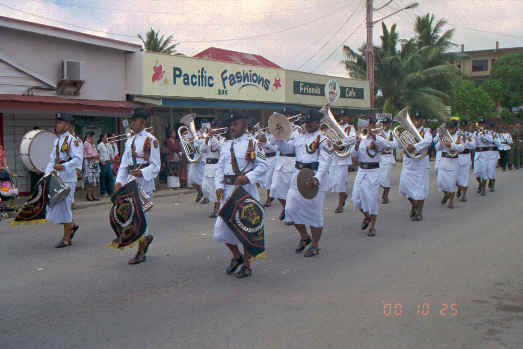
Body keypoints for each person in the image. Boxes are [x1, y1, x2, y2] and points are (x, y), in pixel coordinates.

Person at [214, 111, 268, 278]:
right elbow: (219, 169)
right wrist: (218, 186)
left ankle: (246, 264)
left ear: (244, 125)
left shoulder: (254, 143)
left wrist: (248, 177)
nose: (232, 128)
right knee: (221, 229)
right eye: (231, 125)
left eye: (235, 124)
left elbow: (263, 165)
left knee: (246, 230)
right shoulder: (225, 145)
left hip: (245, 192)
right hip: (228, 192)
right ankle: (236, 256)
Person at [277, 109, 332, 257]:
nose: (307, 125)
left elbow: (325, 161)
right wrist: (278, 138)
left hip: (313, 178)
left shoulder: (323, 139)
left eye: (310, 122)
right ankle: (304, 237)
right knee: (290, 210)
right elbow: (287, 149)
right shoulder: (299, 137)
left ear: (317, 123)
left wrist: (318, 178)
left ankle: (314, 245)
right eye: (306, 122)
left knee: (314, 214)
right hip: (297, 176)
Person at [115, 108, 161, 265]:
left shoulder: (151, 140)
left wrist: (143, 172)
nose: (132, 123)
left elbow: (156, 166)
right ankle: (145, 239)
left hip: (144, 184)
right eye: (131, 121)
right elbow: (123, 164)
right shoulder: (129, 141)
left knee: (140, 217)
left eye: (135, 121)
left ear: (143, 122)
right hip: (130, 181)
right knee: (132, 216)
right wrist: (118, 181)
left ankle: (141, 251)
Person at [351, 117, 394, 236]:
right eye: (367, 125)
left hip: (373, 171)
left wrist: (375, 137)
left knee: (372, 200)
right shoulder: (360, 137)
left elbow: (388, 146)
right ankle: (367, 217)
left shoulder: (378, 138)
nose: (368, 127)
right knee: (356, 200)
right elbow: (353, 156)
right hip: (361, 171)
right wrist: (356, 145)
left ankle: (372, 226)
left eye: (370, 125)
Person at [45, 113, 83, 248]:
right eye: (57, 122)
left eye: (60, 122)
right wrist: (47, 175)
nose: (57, 125)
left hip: (68, 179)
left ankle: (66, 239)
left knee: (65, 208)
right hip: (57, 178)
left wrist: (64, 166)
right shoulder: (57, 141)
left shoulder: (74, 141)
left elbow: (78, 159)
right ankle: (72, 225)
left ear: (67, 125)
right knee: (55, 208)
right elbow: (51, 161)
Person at [398, 111, 432, 221]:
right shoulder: (407, 131)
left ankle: (419, 212)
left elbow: (428, 141)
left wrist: (415, 146)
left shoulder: (426, 131)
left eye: (419, 119)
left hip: (421, 163)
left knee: (421, 188)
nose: (417, 121)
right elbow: (399, 144)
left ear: (422, 120)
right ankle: (414, 205)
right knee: (404, 187)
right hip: (408, 163)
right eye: (416, 119)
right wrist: (402, 142)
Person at [434, 121, 465, 209]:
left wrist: (451, 145)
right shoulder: (444, 135)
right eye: (449, 128)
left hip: (453, 161)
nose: (450, 130)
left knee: (451, 184)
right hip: (443, 160)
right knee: (440, 182)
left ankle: (451, 201)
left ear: (455, 128)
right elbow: (437, 148)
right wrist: (440, 141)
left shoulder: (459, 136)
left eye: (452, 128)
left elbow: (461, 148)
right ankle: (446, 194)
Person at [330, 111, 356, 213]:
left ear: (348, 118)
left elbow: (353, 139)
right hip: (334, 158)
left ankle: (340, 204)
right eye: (341, 116)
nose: (343, 118)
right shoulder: (334, 128)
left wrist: (340, 143)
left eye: (345, 116)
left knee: (340, 182)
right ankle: (343, 194)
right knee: (333, 182)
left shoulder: (350, 128)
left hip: (343, 158)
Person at [201, 121, 222, 217]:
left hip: (216, 167)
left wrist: (212, 137)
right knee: (205, 188)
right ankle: (218, 205)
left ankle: (216, 209)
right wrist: (206, 139)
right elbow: (202, 150)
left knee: (214, 189)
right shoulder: (208, 139)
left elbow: (216, 146)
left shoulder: (221, 140)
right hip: (207, 167)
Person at [256, 126, 278, 208]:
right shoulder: (263, 135)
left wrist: (266, 143)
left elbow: (275, 149)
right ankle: (254, 198)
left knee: (268, 179)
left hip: (273, 159)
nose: (269, 128)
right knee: (258, 178)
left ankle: (268, 199)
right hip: (264, 158)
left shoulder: (275, 136)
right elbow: (258, 149)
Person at [377, 115, 396, 204]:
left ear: (390, 124)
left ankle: (385, 196)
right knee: (379, 178)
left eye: (387, 123)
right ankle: (384, 194)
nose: (385, 125)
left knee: (385, 177)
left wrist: (385, 142)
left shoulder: (393, 133)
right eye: (384, 123)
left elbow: (395, 144)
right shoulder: (378, 133)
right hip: (380, 157)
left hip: (388, 157)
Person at [456, 120, 476, 202]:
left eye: (464, 126)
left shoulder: (469, 135)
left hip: (465, 156)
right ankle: (460, 188)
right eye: (461, 126)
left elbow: (473, 146)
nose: (462, 128)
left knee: (464, 176)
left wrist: (466, 140)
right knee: (455, 177)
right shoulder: (456, 133)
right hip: (456, 156)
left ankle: (464, 195)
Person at [83, 131, 100, 201]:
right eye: (93, 137)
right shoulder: (86, 144)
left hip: (95, 164)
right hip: (89, 164)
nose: (94, 138)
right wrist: (94, 156)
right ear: (89, 137)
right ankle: (89, 195)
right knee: (90, 181)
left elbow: (97, 154)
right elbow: (86, 156)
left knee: (95, 180)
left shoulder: (92, 145)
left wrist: (96, 156)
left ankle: (93, 195)